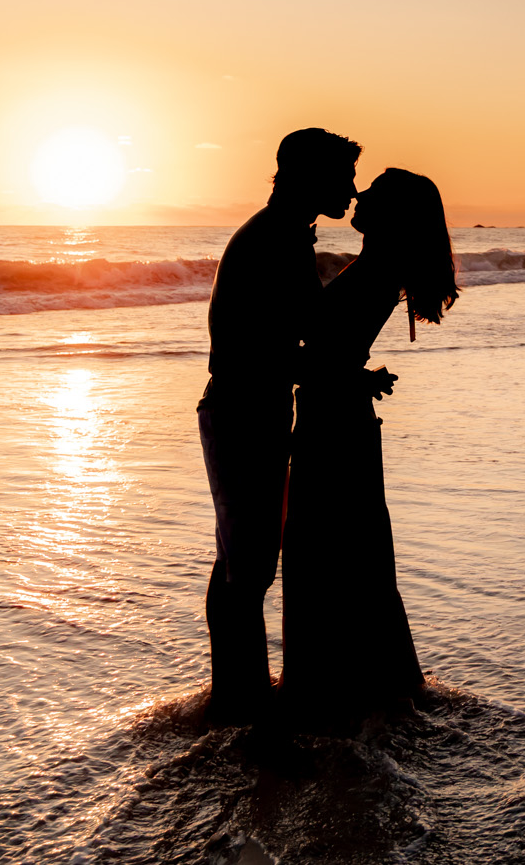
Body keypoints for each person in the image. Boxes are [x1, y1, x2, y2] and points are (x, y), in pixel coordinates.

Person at [279, 167, 459, 728]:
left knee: (324, 554)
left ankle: (333, 694)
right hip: (339, 416)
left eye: (374, 194)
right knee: (352, 556)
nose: (360, 195)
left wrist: (348, 375)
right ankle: (375, 686)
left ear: (394, 213)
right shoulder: (376, 266)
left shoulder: (378, 267)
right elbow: (336, 347)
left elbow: (328, 350)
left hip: (335, 422)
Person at [196, 127, 360, 726]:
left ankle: (234, 695)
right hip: (243, 412)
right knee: (251, 566)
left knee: (241, 562)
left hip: (245, 409)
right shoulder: (277, 238)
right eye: (342, 175)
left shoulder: (277, 233)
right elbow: (279, 341)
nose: (351, 188)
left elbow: (287, 334)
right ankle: (242, 706)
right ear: (311, 177)